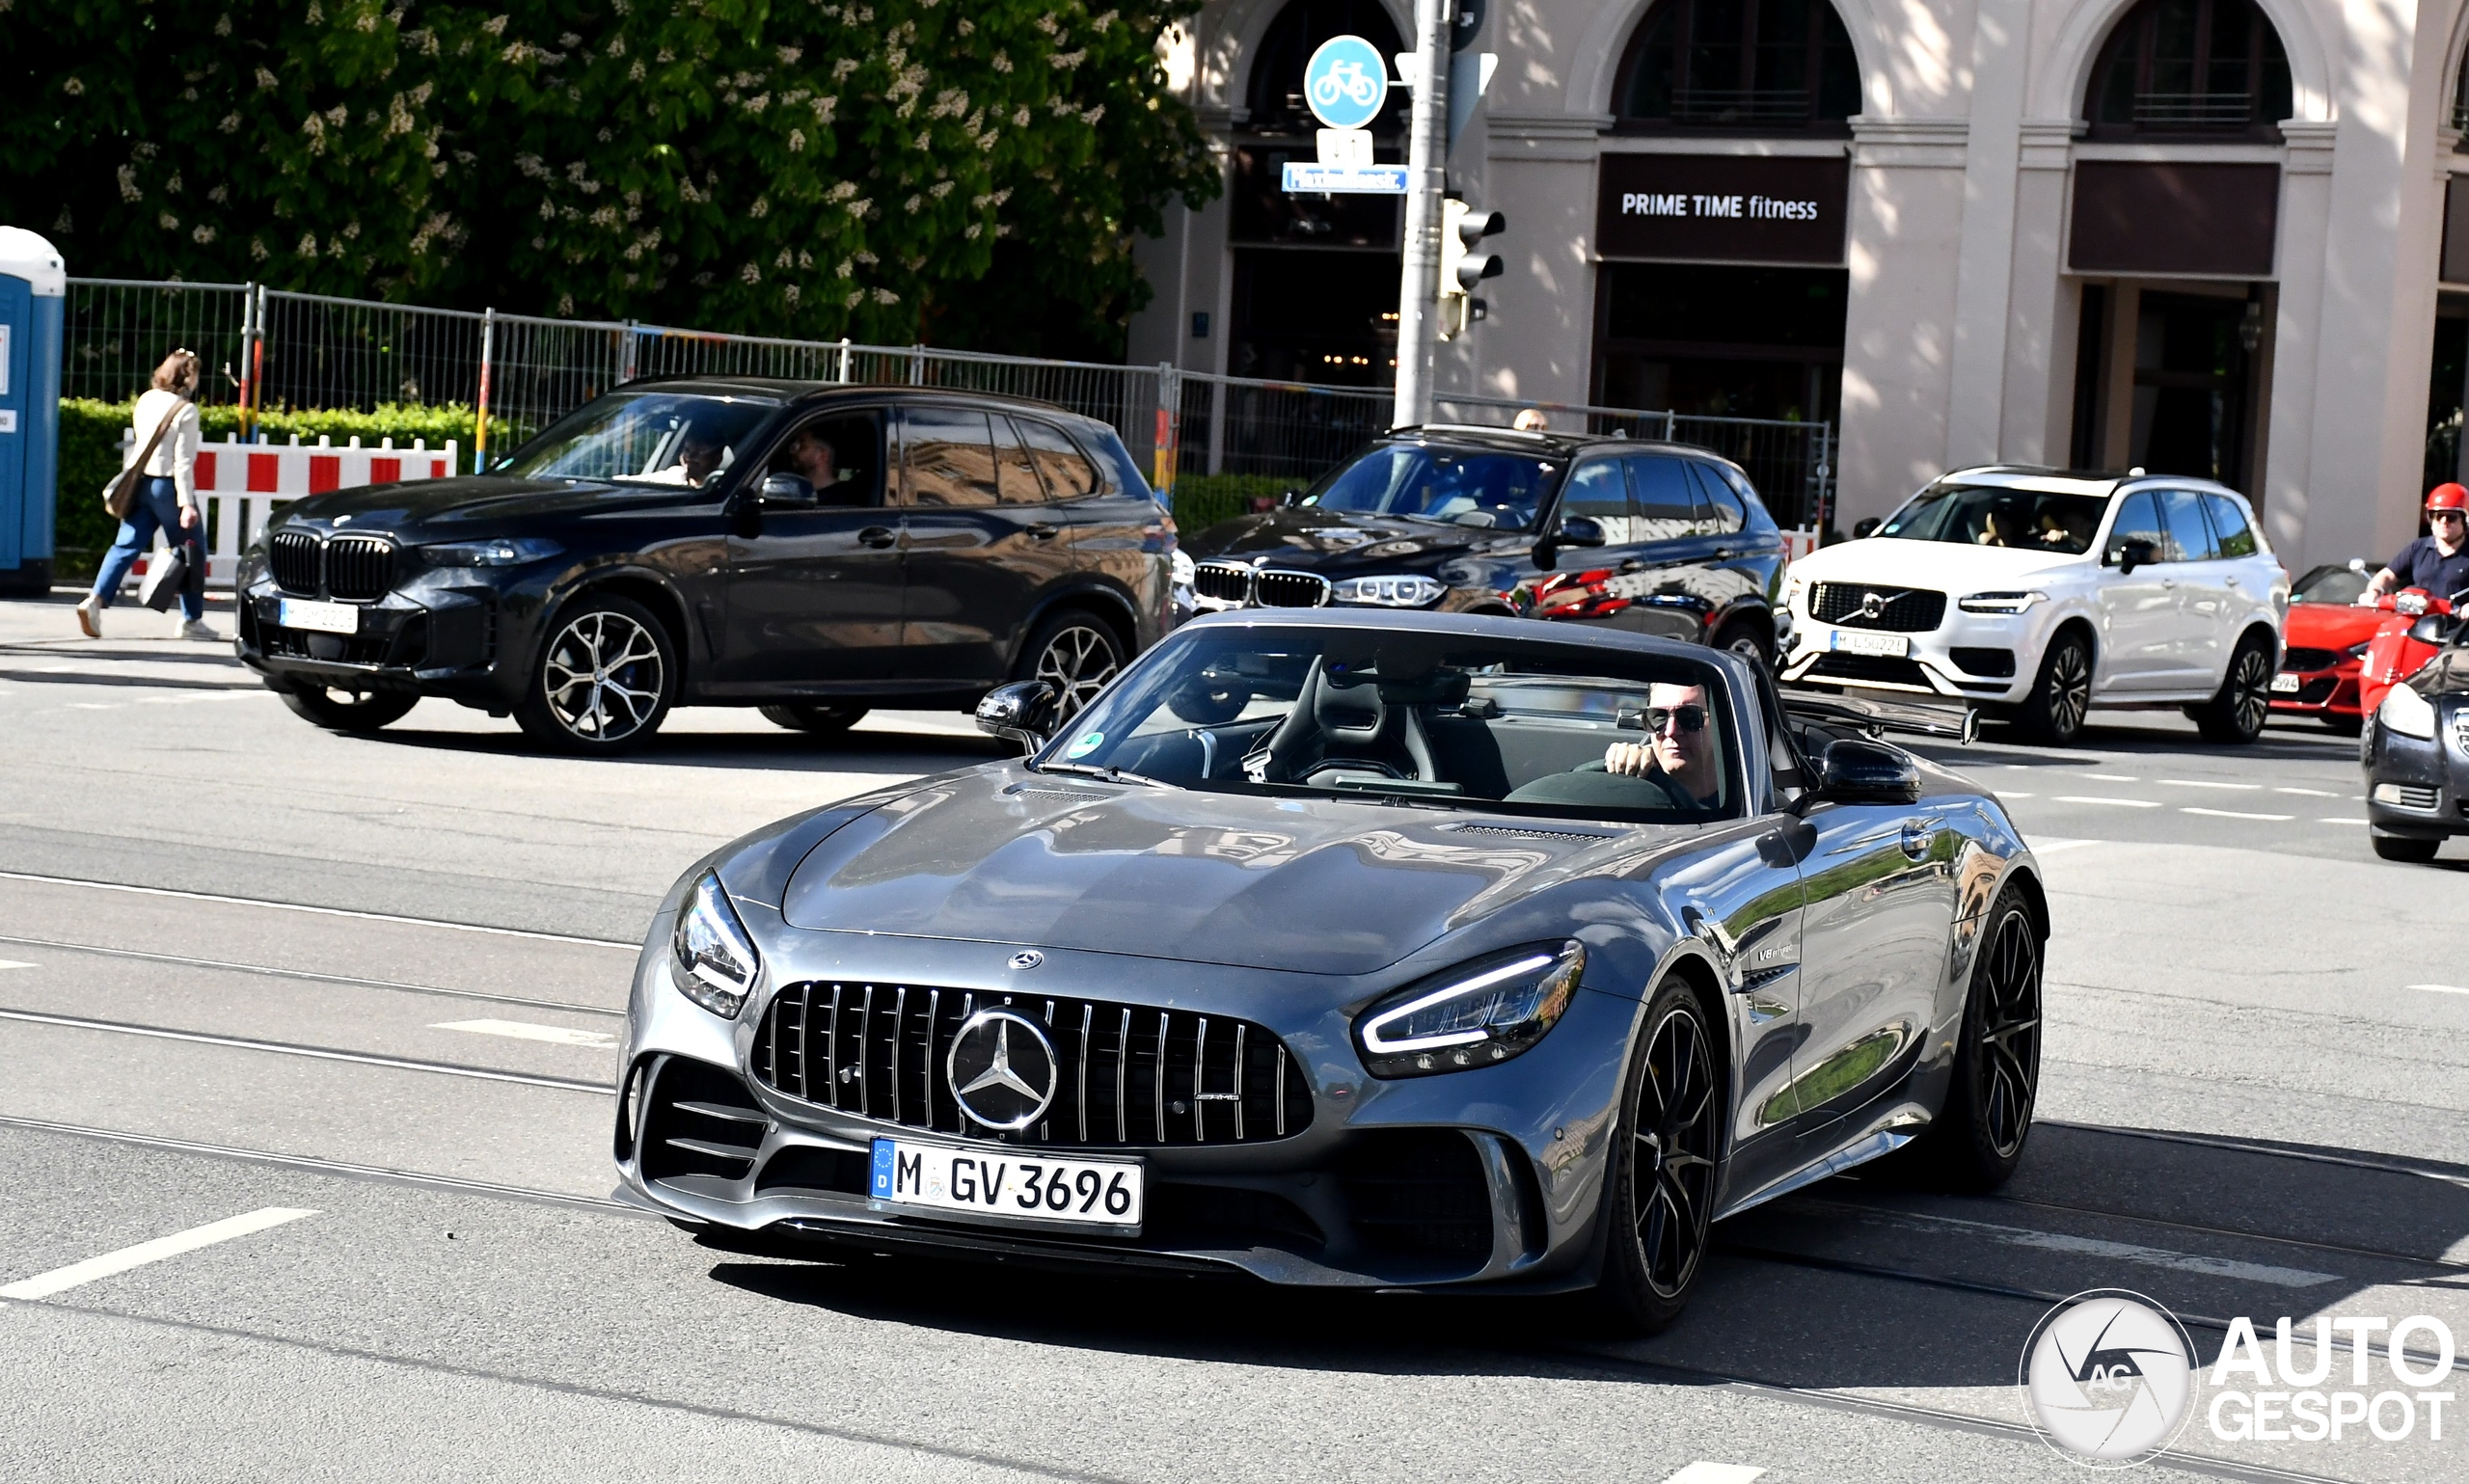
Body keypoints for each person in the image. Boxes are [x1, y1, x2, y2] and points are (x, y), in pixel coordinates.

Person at [80, 350, 212, 640]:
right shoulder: (186, 410)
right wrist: (187, 503)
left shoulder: (146, 399)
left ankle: (95, 601)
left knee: (125, 545)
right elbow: (183, 461)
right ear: (187, 376)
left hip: (139, 484)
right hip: (167, 487)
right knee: (192, 548)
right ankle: (191, 621)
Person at [1603, 681, 1723, 808]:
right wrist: (1622, 768)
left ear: (1720, 723)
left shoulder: (1743, 794)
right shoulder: (1634, 791)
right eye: (1658, 717)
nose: (1671, 731)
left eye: (1689, 716)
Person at [2359, 483, 2469, 605]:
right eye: (2437, 516)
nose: (2443, 522)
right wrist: (2374, 592)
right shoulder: (2418, 547)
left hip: (2457, 621)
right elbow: (2387, 575)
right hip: (2417, 618)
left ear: (2465, 520)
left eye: (2451, 517)